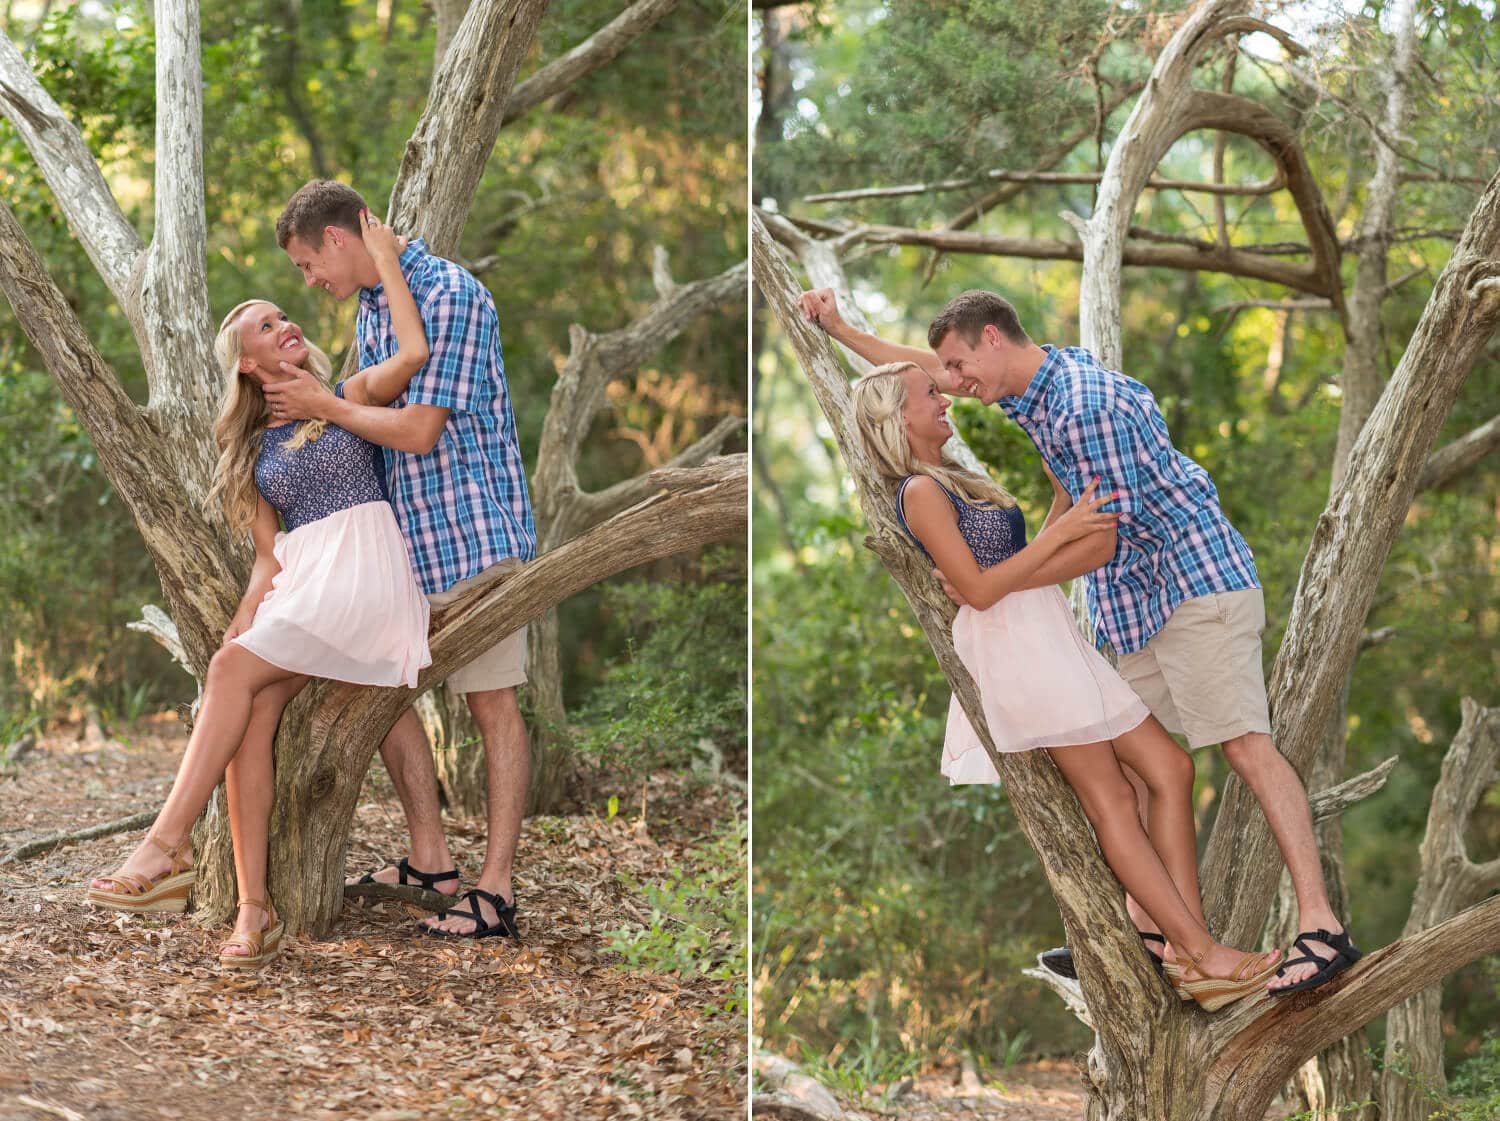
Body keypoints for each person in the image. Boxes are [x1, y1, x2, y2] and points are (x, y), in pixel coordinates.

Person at [803, 286, 1361, 996]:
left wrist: (1006, 571)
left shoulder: (1081, 406)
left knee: (1239, 746)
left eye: (957, 366)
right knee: (1138, 777)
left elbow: (1100, 542)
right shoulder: (1027, 393)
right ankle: (1179, 942)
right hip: (1126, 606)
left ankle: (1318, 924)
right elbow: (916, 373)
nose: (951, 384)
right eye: (941, 378)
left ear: (993, 341)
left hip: (1190, 585)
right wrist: (842, 328)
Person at [851, 363, 1281, 1009]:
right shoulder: (916, 491)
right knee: (1111, 798)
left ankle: (1186, 950)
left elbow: (1012, 563)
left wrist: (1061, 503)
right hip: (1016, 649)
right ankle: (1201, 953)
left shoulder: (952, 479)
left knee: (1170, 766)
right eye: (929, 394)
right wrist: (1070, 526)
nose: (943, 400)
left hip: (1050, 634)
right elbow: (978, 588)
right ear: (897, 417)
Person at [87, 213, 433, 969]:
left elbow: (415, 351)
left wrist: (384, 258)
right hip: (305, 591)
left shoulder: (346, 390)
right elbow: (267, 561)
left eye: (285, 314)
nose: (287, 322)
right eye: (266, 325)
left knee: (233, 677)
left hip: (364, 578)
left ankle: (164, 844)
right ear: (245, 365)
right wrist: (240, 630)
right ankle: (255, 911)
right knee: (248, 705)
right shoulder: (253, 450)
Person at [265, 180, 536, 940]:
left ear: (340, 240)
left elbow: (416, 431)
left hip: (471, 539)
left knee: (492, 704)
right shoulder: (377, 305)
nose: (309, 282)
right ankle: (431, 861)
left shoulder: (449, 293)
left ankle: (496, 890)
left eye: (306, 264)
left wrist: (326, 406)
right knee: (376, 690)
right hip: (407, 549)